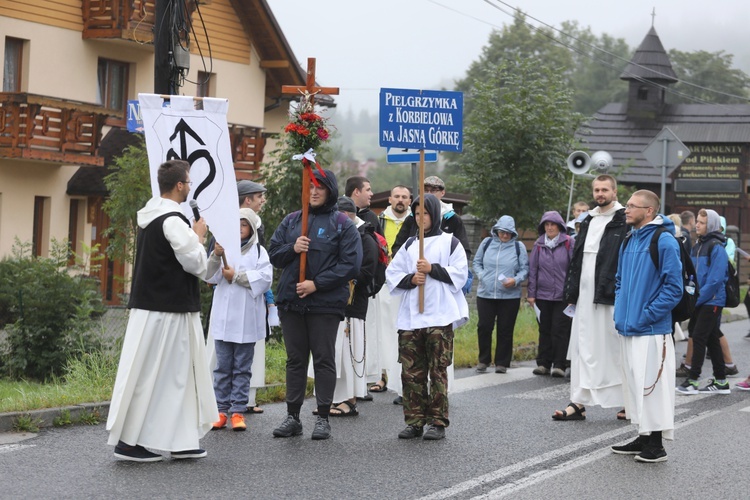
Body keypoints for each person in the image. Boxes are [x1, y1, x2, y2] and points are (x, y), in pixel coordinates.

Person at [107, 159, 217, 462]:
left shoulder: (152, 215)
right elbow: (195, 263)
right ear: (180, 185)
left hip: (157, 309)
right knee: (162, 376)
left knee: (171, 376)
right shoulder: (172, 220)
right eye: (189, 182)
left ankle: (180, 440)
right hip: (167, 311)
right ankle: (129, 442)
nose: (190, 187)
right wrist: (199, 236)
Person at [268, 169, 362, 440]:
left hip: (324, 304)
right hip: (291, 301)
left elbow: (350, 265)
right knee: (295, 360)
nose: (315, 191)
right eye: (311, 187)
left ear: (330, 190)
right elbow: (274, 254)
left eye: (320, 187)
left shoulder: (342, 223)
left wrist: (316, 284)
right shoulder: (292, 220)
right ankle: (292, 417)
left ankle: (323, 417)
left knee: (323, 359)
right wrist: (292, 248)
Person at [386, 194, 468, 440]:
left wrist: (433, 269)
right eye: (417, 214)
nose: (422, 218)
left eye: (426, 213)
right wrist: (411, 279)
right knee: (411, 372)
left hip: (439, 317)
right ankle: (414, 420)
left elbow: (460, 274)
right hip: (412, 317)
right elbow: (392, 273)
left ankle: (437, 421)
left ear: (435, 214)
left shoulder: (450, 242)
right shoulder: (411, 244)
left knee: (438, 371)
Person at [611, 190, 682, 463]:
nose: (626, 210)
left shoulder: (663, 240)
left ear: (649, 211)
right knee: (636, 385)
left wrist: (647, 315)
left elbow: (674, 288)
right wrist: (621, 313)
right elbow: (618, 281)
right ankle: (643, 436)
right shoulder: (629, 239)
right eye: (627, 205)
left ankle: (656, 446)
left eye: (632, 206)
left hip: (651, 329)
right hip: (628, 327)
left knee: (653, 386)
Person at [553, 174, 627, 421]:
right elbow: (577, 259)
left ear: (614, 192)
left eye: (605, 189)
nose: (600, 194)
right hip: (584, 295)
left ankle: (627, 400)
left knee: (615, 348)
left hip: (609, 295)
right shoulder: (587, 219)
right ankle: (578, 402)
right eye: (597, 189)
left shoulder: (624, 219)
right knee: (582, 346)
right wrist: (571, 292)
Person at [206, 208, 272, 432]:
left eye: (244, 225)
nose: (239, 229)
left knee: (242, 368)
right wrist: (215, 256)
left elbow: (265, 279)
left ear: (252, 228)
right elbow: (208, 276)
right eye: (236, 224)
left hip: (246, 321)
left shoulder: (259, 252)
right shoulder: (223, 249)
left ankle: (237, 411)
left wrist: (237, 276)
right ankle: (220, 410)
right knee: (222, 367)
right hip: (224, 320)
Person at [326, 196, 378, 417]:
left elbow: (367, 273)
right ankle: (332, 398)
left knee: (350, 354)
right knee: (333, 355)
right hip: (331, 304)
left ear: (350, 216)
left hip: (353, 306)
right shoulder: (333, 236)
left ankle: (351, 399)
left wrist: (341, 275)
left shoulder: (366, 239)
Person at [676, 209, 731, 395]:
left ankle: (692, 380)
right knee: (711, 338)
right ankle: (721, 381)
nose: (697, 225)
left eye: (702, 222)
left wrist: (697, 299)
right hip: (701, 300)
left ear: (712, 225)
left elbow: (715, 280)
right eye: (697, 221)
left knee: (698, 336)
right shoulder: (698, 245)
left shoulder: (716, 247)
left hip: (712, 301)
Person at [472, 215, 529, 374]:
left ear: (513, 233)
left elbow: (525, 269)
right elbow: (476, 263)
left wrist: (516, 280)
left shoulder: (519, 247)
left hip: (509, 296)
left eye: (508, 233)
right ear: (496, 231)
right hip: (486, 294)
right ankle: (483, 360)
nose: (504, 235)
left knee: (505, 329)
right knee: (484, 327)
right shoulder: (487, 243)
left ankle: (502, 363)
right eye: (502, 232)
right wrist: (483, 276)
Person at [527, 211, 574, 378]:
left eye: (553, 224)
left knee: (560, 330)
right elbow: (533, 270)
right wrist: (531, 294)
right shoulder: (539, 245)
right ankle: (543, 363)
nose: (549, 227)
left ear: (559, 226)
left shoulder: (569, 243)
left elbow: (574, 270)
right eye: (546, 224)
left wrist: (572, 296)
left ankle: (559, 364)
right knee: (544, 329)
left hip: (563, 296)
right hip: (542, 295)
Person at [391, 176, 470, 260]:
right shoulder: (412, 218)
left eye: (433, 190)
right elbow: (398, 247)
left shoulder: (453, 219)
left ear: (442, 193)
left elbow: (464, 251)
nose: (428, 193)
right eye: (425, 190)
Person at [379, 185, 412, 252]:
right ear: (390, 200)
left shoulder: (415, 222)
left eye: (404, 197)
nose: (400, 200)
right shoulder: (379, 220)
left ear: (409, 201)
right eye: (396, 196)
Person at [237, 180, 268, 245]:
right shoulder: (228, 226)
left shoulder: (258, 225)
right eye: (259, 196)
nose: (263, 200)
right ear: (248, 200)